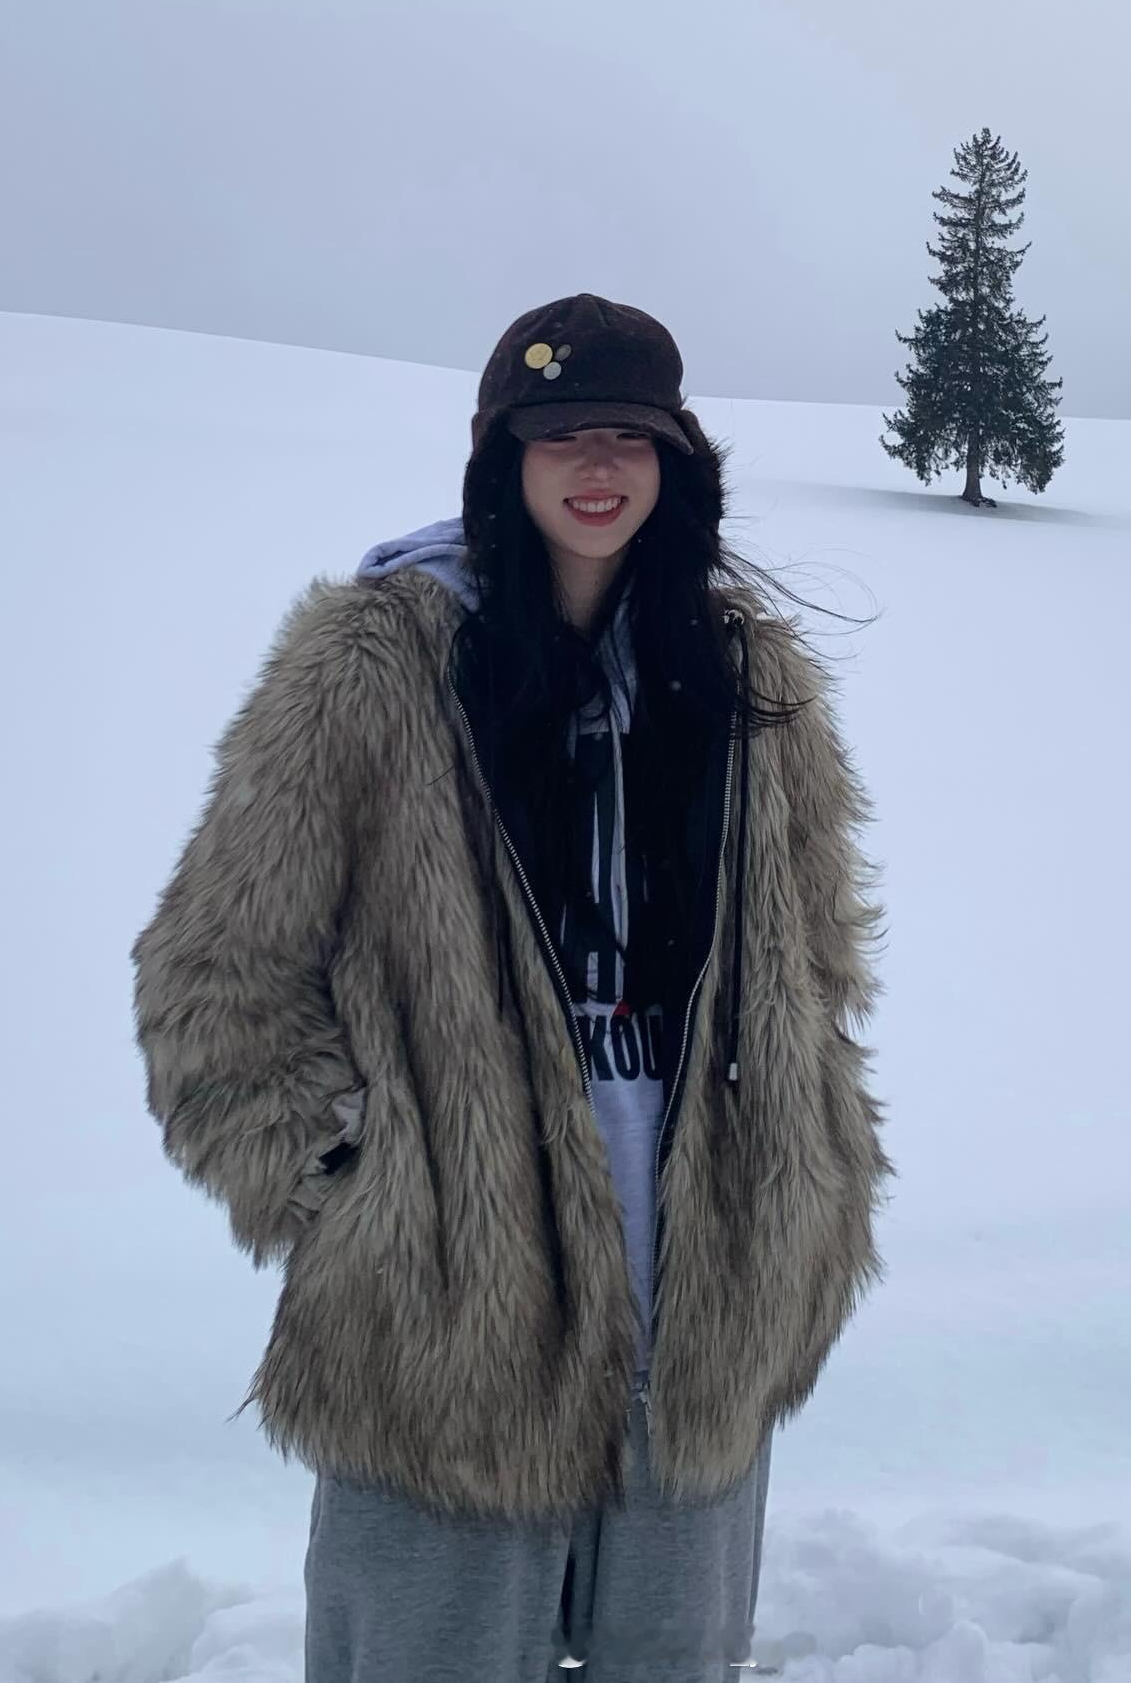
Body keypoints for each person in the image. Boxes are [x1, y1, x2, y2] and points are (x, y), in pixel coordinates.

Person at [133, 293, 894, 1681]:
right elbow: (215, 968)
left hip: (705, 1298)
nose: (597, 465)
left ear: (677, 461)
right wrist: (354, 1193)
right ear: (501, 456)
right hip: (445, 1318)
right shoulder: (373, 664)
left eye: (630, 435)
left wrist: (813, 1173)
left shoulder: (739, 675)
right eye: (561, 435)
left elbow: (820, 955)